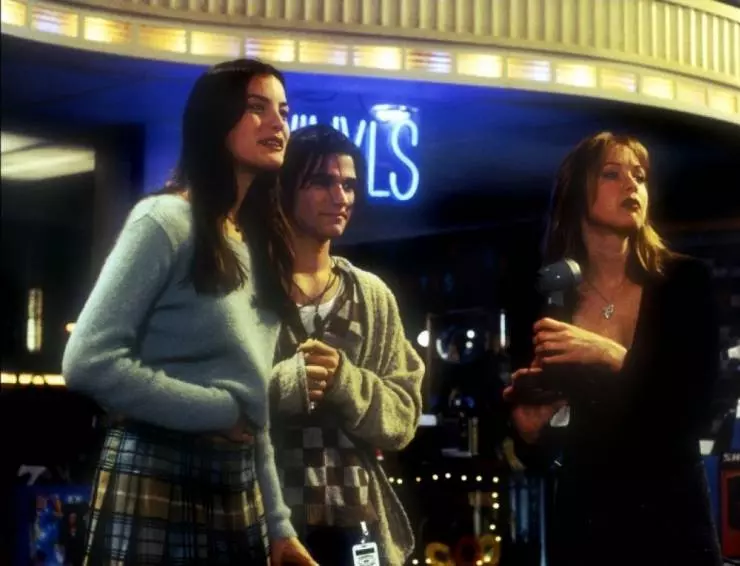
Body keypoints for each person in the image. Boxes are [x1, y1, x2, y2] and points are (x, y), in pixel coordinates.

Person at [62, 59, 316, 566]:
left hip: (236, 484)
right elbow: (87, 361)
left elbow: (251, 402)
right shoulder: (165, 220)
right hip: (156, 469)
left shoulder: (260, 243)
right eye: (256, 107)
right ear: (214, 120)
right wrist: (216, 410)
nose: (278, 123)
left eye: (284, 112)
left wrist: (279, 526)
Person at [504, 132, 722, 566]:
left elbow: (697, 410)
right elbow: (542, 452)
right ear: (575, 193)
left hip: (674, 517)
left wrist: (611, 355)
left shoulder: (685, 283)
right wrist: (529, 432)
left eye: (639, 176)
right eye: (611, 174)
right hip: (588, 521)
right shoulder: (548, 296)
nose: (631, 185)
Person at [268, 124, 424, 565]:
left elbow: (404, 417)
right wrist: (287, 385)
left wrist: (346, 382)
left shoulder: (370, 295)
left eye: (349, 185)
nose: (341, 197)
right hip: (269, 515)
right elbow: (219, 399)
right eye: (322, 182)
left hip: (356, 517)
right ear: (286, 188)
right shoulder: (250, 287)